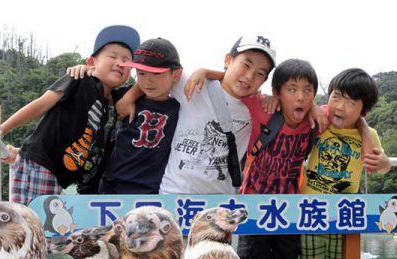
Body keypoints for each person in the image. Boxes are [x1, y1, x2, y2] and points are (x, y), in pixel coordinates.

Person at [115, 35, 277, 195]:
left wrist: (276, 99)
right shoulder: (194, 83)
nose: (249, 76)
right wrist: (129, 97)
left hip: (219, 203)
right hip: (173, 195)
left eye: (260, 73)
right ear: (228, 60)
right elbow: (155, 77)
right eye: (246, 65)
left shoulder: (256, 107)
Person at [0, 25, 140, 205]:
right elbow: (42, 104)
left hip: (55, 174)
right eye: (112, 56)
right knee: (32, 225)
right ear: (91, 62)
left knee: (42, 227)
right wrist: (1, 129)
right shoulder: (79, 80)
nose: (120, 63)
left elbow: (146, 84)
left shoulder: (109, 102)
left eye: (127, 61)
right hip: (41, 166)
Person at [237, 59, 320, 259]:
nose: (301, 98)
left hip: (289, 209)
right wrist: (204, 72)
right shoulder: (263, 111)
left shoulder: (316, 121)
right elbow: (234, 85)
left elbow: (350, 115)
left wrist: (315, 107)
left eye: (308, 91)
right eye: (292, 90)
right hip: (254, 206)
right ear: (277, 93)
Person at [300, 68, 391, 259]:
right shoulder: (317, 122)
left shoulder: (370, 136)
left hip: (345, 216)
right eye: (337, 97)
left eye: (351, 102)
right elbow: (299, 107)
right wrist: (313, 105)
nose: (340, 106)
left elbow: (383, 166)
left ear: (363, 110)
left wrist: (385, 163)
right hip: (310, 213)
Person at [100, 38, 182, 194]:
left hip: (154, 192)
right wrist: (83, 70)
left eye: (156, 74)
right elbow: (93, 88)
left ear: (176, 75)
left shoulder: (181, 108)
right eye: (141, 73)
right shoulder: (125, 96)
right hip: (113, 187)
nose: (148, 80)